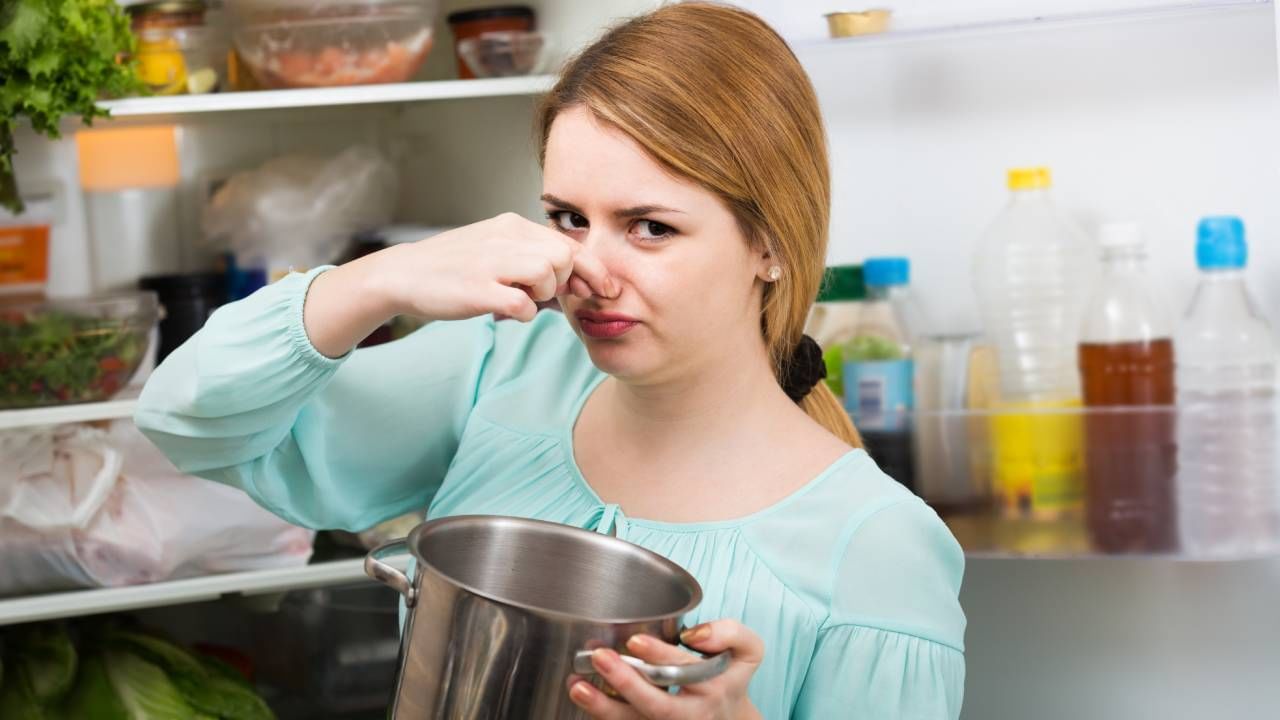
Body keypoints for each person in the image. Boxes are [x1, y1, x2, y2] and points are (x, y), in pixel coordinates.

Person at [135, 3, 965, 718]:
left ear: (771, 245)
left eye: (650, 227)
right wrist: (376, 281)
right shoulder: (499, 373)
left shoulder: (879, 550)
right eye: (569, 218)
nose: (590, 272)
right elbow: (187, 421)